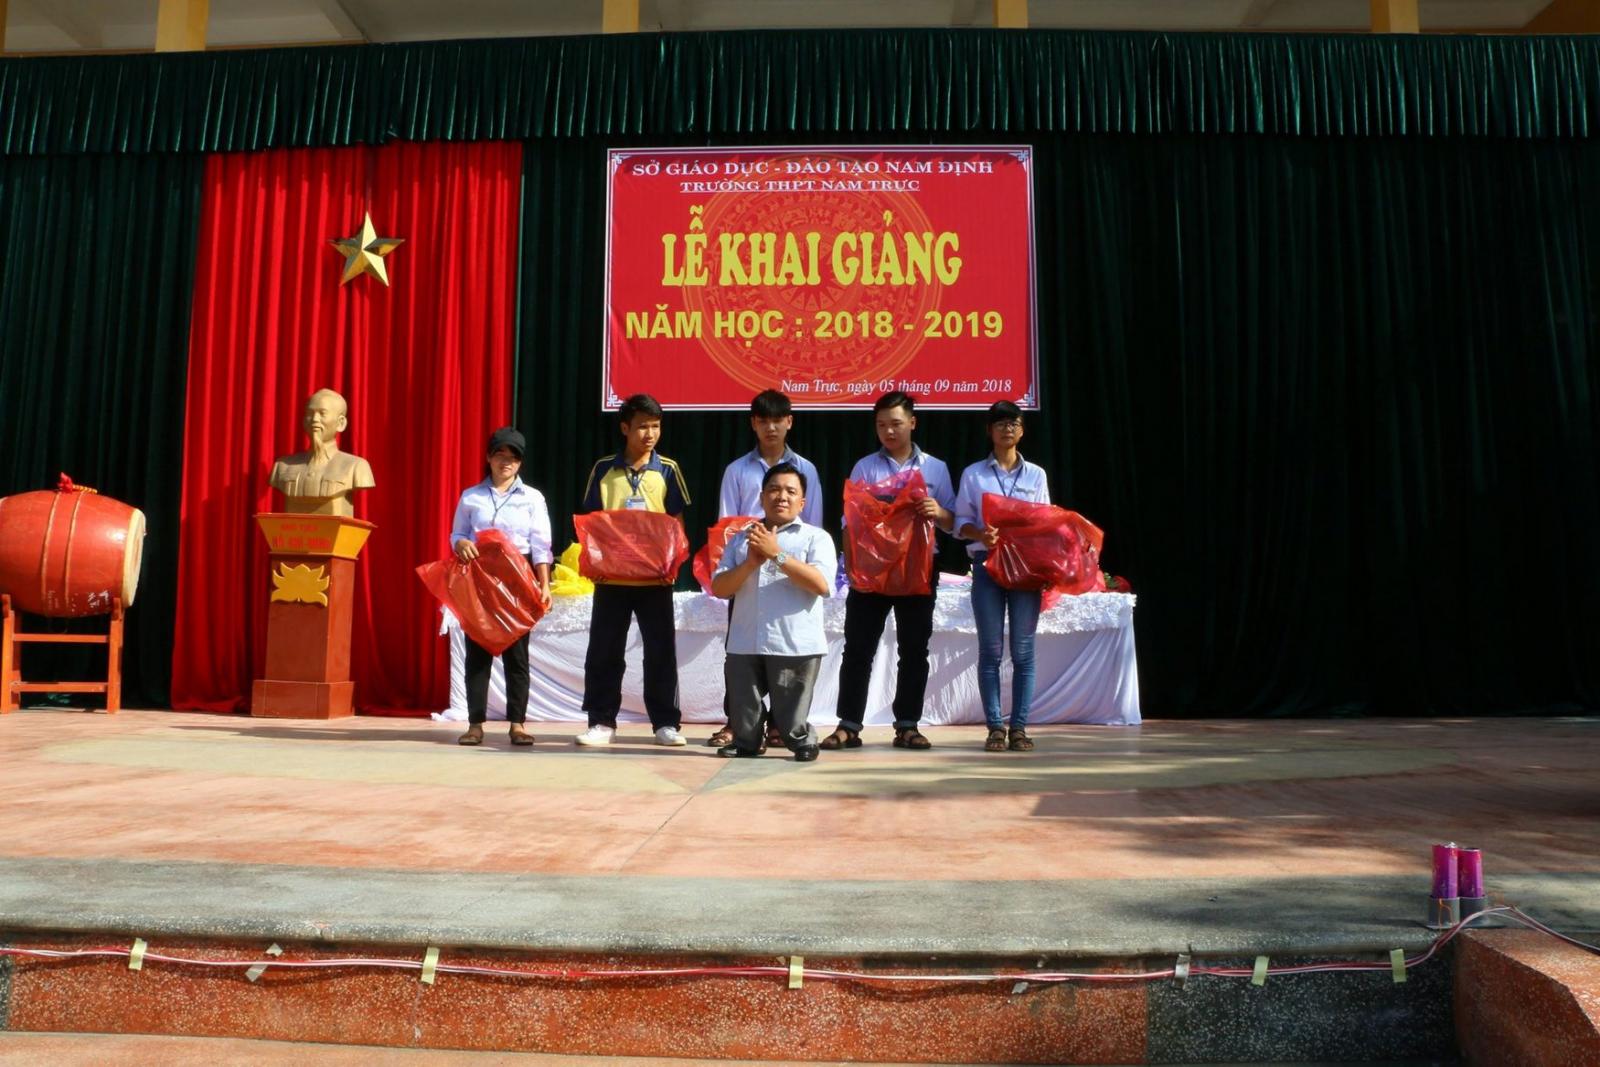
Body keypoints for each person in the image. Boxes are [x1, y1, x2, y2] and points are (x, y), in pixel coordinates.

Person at [824, 391, 956, 751]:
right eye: (881, 425)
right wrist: (852, 567)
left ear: (912, 423)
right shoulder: (865, 467)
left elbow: (953, 523)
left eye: (896, 423)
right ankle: (849, 724)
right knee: (858, 648)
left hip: (918, 567)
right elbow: (849, 521)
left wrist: (938, 511)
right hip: (872, 568)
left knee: (914, 650)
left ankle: (908, 725)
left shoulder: (935, 468)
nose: (889, 431)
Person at [709, 389, 824, 750]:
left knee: (786, 657)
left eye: (778, 420)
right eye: (764, 421)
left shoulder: (806, 469)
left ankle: (783, 728)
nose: (771, 427)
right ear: (753, 424)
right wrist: (750, 553)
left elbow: (812, 525)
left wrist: (780, 553)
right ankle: (740, 727)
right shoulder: (737, 470)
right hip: (747, 562)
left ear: (789, 422)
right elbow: (726, 524)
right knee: (741, 655)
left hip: (789, 571)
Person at [576, 393, 692, 747]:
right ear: (625, 428)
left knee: (660, 652)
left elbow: (676, 523)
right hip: (611, 578)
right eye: (642, 427)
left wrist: (672, 563)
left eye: (655, 426)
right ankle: (601, 722)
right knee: (604, 650)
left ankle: (665, 723)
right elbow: (590, 523)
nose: (650, 434)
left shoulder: (668, 469)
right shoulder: (603, 469)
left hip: (655, 579)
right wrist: (594, 563)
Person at [954, 401, 1050, 753]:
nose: (1007, 428)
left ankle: (1019, 727)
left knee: (1023, 651)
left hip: (1025, 566)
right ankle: (995, 727)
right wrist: (981, 534)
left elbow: (1045, 521)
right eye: (1000, 423)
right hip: (987, 564)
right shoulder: (974, 474)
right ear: (989, 431)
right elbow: (960, 523)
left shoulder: (1036, 475)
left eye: (1014, 423)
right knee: (990, 650)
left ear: (1022, 430)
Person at [448, 427, 553, 747]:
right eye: (500, 454)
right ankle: (475, 724)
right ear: (488, 458)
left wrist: (544, 584)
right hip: (480, 577)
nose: (506, 462)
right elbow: (457, 534)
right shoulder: (471, 496)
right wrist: (461, 543)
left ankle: (517, 724)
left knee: (517, 655)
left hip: (518, 577)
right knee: (477, 653)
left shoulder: (532, 498)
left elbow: (541, 545)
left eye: (513, 457)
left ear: (521, 462)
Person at [268, 388, 375, 517]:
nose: (314, 419)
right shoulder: (283, 465)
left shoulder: (356, 466)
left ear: (341, 423)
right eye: (310, 413)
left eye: (322, 413)